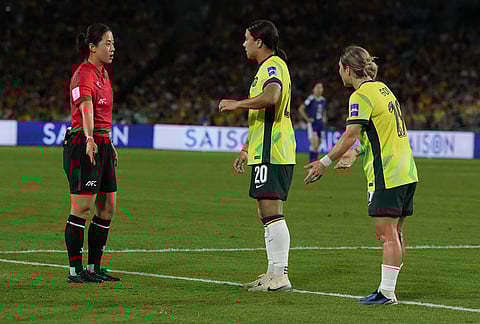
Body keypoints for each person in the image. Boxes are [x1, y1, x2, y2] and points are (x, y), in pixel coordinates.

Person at [304, 46, 418, 304]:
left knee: (386, 232)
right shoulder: (383, 89)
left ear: (347, 69)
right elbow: (378, 132)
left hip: (386, 172)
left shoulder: (360, 95)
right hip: (406, 170)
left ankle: (387, 293)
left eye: (339, 68)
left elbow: (351, 134)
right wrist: (354, 154)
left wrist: (324, 162)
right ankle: (387, 289)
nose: (338, 73)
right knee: (395, 232)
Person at [218, 20, 296, 291]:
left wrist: (237, 104)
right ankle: (273, 272)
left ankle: (282, 275)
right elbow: (261, 117)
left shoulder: (273, 66)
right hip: (264, 150)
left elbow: (272, 97)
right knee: (265, 211)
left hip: (274, 151)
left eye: (246, 39)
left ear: (259, 42)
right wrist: (246, 148)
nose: (244, 44)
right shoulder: (266, 68)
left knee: (272, 211)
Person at [63, 23, 120, 283]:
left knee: (107, 207)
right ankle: (75, 270)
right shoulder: (83, 74)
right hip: (84, 143)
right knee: (82, 207)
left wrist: (109, 142)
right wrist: (89, 138)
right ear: (92, 47)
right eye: (107, 44)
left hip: (102, 143)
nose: (112, 48)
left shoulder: (104, 75)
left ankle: (94, 266)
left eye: (113, 43)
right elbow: (85, 109)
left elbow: (103, 115)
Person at [298, 82, 327, 162]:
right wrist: (307, 119)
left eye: (321, 87)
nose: (319, 89)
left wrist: (324, 118)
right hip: (312, 125)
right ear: (313, 89)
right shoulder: (311, 99)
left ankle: (314, 163)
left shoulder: (323, 100)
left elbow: (323, 111)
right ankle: (312, 164)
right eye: (317, 87)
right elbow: (301, 109)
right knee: (314, 145)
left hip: (320, 125)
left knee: (318, 145)